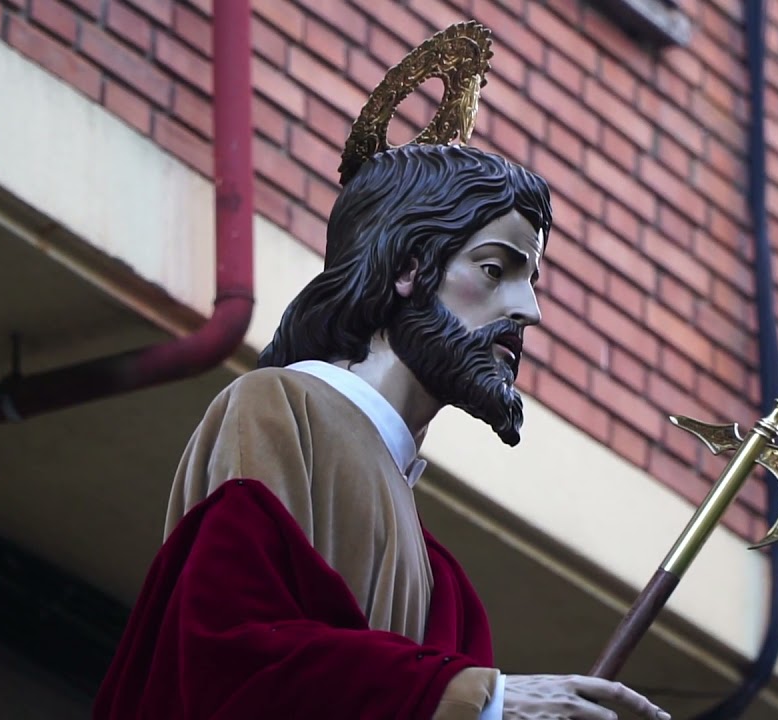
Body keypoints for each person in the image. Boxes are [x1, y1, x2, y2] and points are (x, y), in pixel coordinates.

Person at [93, 21, 669, 720]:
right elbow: (227, 656)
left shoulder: (445, 584)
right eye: (496, 270)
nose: (529, 312)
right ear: (407, 269)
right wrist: (484, 702)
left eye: (533, 280)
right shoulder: (281, 410)